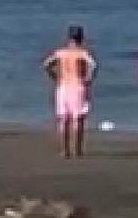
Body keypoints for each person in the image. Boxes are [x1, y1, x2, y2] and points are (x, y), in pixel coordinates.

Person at [42, 25, 98, 158]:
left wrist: (54, 76)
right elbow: (93, 65)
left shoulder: (60, 53)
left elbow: (46, 64)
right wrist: (88, 78)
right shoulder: (82, 53)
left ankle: (65, 150)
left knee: (64, 119)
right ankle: (77, 149)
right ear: (81, 38)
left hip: (62, 86)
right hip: (77, 85)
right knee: (78, 119)